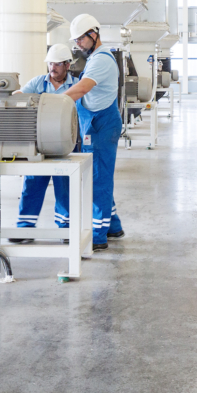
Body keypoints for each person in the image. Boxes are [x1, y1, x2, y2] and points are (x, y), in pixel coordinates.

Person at [62, 14, 125, 251]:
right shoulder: (94, 58)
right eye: (76, 40)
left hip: (102, 124)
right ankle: (113, 225)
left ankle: (98, 235)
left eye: (80, 39)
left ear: (93, 34)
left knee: (99, 178)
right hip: (96, 122)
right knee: (100, 176)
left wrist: (51, 102)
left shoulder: (101, 60)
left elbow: (83, 88)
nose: (77, 43)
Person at [8, 44, 79, 244]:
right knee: (32, 183)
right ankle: (25, 228)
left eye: (57, 64)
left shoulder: (76, 85)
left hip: (65, 143)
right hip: (40, 143)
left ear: (67, 65)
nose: (52, 68)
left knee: (64, 186)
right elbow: (19, 97)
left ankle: (66, 228)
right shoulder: (38, 83)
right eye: (50, 64)